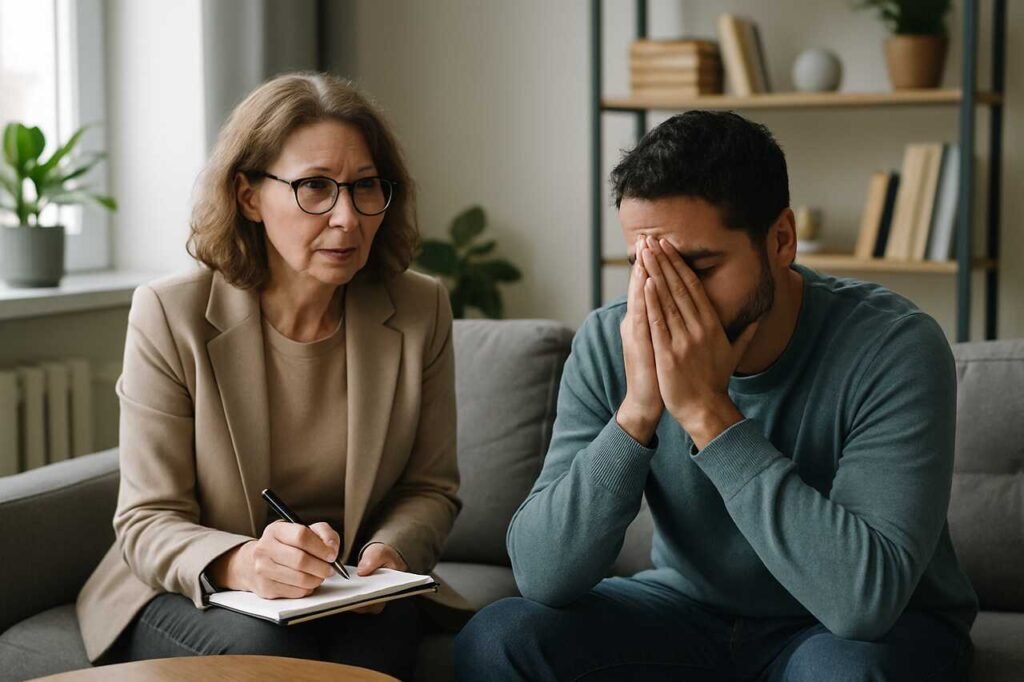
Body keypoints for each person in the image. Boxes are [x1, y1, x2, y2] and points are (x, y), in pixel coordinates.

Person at [456, 111, 977, 681]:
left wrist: (709, 414)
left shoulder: (892, 346)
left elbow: (861, 601)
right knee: (501, 637)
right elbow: (542, 576)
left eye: (697, 267)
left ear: (781, 239)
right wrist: (637, 412)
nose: (664, 298)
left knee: (843, 673)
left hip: (862, 633)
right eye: (644, 268)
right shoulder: (615, 339)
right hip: (691, 611)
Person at [76, 72, 460, 679]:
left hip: (350, 593)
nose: (347, 218)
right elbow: (147, 519)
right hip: (195, 589)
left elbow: (430, 487)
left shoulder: (419, 309)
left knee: (376, 652)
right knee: (281, 662)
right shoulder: (170, 314)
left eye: (365, 187)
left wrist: (391, 554)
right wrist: (244, 562)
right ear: (249, 196)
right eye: (314, 187)